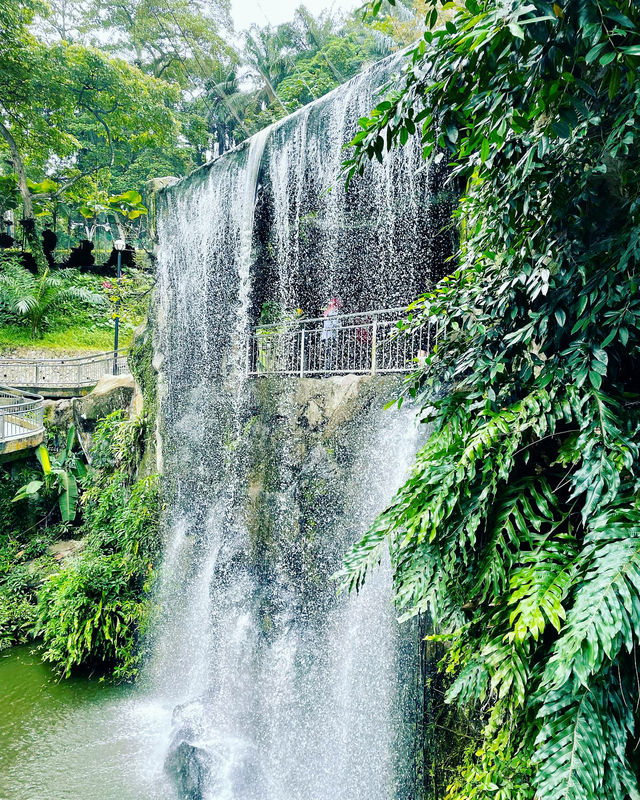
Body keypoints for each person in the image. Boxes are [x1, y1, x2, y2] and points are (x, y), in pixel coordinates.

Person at [321, 297, 342, 374]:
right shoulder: (334, 311)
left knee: (327, 354)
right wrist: (340, 325)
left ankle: (326, 371)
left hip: (324, 335)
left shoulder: (327, 311)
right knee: (330, 354)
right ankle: (329, 371)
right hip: (330, 335)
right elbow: (335, 324)